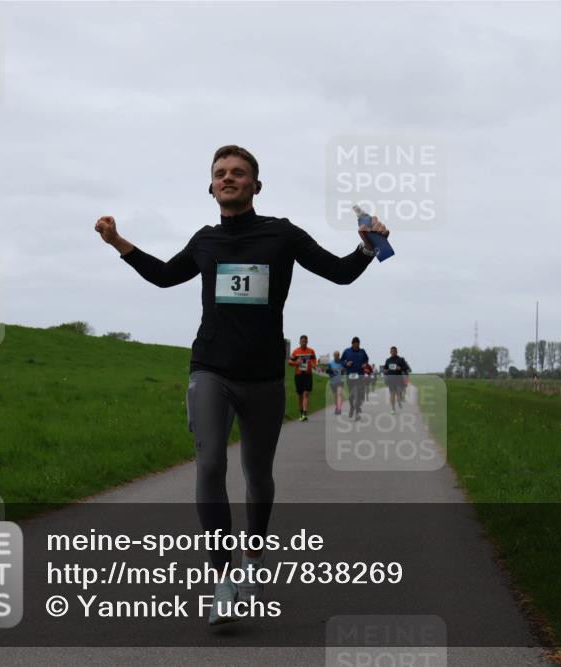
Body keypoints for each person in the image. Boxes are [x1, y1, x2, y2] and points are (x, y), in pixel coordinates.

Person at [94, 145, 389, 624]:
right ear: (211, 187)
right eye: (220, 173)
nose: (228, 178)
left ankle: (253, 561)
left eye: (238, 172)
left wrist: (366, 247)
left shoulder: (282, 233)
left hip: (265, 376)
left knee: (258, 476)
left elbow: (338, 274)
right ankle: (223, 579)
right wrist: (119, 244)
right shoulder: (205, 240)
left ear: (256, 185)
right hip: (210, 368)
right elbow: (167, 277)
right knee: (210, 464)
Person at [287, 334, 316, 421]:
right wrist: (296, 363)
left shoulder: (311, 351)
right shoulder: (296, 352)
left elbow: (314, 361)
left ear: (307, 342)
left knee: (306, 393)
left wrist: (314, 365)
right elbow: (289, 361)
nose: (304, 343)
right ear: (299, 342)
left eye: (305, 341)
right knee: (300, 394)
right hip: (298, 375)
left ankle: (304, 413)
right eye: (302, 341)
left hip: (308, 375)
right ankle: (301, 412)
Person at [339, 337, 369, 420]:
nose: (356, 345)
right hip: (350, 375)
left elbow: (366, 359)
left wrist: (365, 364)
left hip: (360, 376)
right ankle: (352, 407)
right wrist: (346, 364)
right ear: (352, 343)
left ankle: (357, 413)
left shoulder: (362, 351)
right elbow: (341, 361)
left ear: (359, 343)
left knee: (358, 394)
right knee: (352, 394)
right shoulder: (347, 351)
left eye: (358, 343)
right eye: (355, 343)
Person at [383, 346, 412, 412]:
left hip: (399, 379)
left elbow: (406, 368)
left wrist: (400, 368)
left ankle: (399, 401)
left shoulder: (400, 359)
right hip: (391, 379)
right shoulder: (388, 360)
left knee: (399, 393)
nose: (393, 352)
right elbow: (385, 368)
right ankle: (393, 408)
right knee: (392, 394)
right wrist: (385, 370)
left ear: (397, 352)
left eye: (394, 351)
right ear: (390, 352)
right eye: (392, 351)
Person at [326, 350, 345, 415]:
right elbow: (327, 372)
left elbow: (344, 372)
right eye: (335, 355)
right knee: (335, 395)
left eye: (338, 355)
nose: (336, 356)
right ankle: (336, 407)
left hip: (340, 381)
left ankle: (339, 408)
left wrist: (343, 371)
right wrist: (332, 370)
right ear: (333, 356)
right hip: (333, 381)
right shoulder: (330, 363)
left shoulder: (342, 363)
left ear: (339, 356)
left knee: (339, 394)